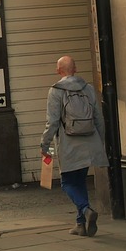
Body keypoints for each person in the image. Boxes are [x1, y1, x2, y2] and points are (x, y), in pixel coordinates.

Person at [40, 55, 108, 236]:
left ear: (58, 71)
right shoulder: (89, 89)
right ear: (75, 69)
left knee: (67, 183)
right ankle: (80, 224)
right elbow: (98, 118)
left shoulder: (55, 91)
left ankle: (86, 210)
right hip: (90, 143)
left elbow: (52, 122)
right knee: (80, 182)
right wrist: (100, 141)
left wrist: (44, 144)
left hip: (69, 145)